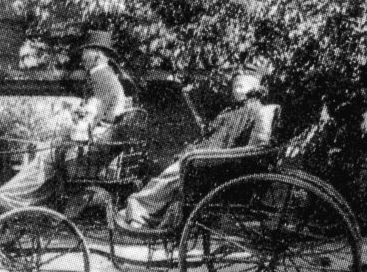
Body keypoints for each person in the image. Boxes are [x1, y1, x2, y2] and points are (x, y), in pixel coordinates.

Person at [114, 61, 271, 232]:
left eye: (241, 87)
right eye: (235, 86)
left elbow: (227, 143)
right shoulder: (237, 110)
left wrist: (198, 152)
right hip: (216, 158)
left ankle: (137, 208)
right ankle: (147, 213)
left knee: (173, 173)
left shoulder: (249, 112)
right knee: (171, 169)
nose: (236, 90)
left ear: (254, 88)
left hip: (219, 163)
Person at [0, 30, 129, 210]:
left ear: (97, 55)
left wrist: (75, 122)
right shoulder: (109, 78)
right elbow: (99, 115)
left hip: (90, 154)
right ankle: (22, 203)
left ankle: (8, 197)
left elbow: (94, 121)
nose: (82, 56)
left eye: (86, 51)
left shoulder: (102, 77)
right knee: (49, 153)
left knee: (46, 155)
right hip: (95, 151)